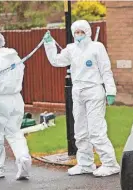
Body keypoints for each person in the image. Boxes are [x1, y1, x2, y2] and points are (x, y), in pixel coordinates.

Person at [43, 20, 120, 177]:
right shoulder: (71, 49)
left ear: (87, 32)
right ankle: (85, 163)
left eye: (81, 32)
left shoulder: (97, 47)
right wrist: (49, 44)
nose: (78, 35)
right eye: (76, 32)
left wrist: (110, 91)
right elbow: (56, 61)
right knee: (80, 131)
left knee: (96, 130)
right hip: (78, 92)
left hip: (94, 91)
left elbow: (106, 70)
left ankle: (110, 164)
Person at [0, 32, 32, 180]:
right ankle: (23, 157)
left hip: (0, 99)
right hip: (16, 98)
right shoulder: (16, 58)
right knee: (15, 132)